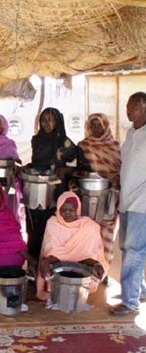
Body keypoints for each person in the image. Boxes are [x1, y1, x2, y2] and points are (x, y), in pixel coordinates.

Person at [26, 107, 78, 260]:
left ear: (57, 122)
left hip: (56, 190)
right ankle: (34, 265)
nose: (46, 123)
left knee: (53, 225)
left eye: (50, 120)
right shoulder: (37, 140)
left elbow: (76, 166)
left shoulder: (65, 143)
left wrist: (64, 170)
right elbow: (38, 163)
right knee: (34, 227)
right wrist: (29, 166)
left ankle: (52, 263)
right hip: (36, 189)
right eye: (43, 120)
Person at [111, 92, 146, 316]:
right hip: (127, 201)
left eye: (133, 107)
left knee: (134, 251)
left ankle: (130, 301)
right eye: (127, 106)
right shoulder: (132, 133)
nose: (128, 110)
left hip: (141, 204)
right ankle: (138, 290)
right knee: (127, 248)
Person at [36, 191, 108, 301]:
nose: (67, 213)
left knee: (98, 267)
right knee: (45, 263)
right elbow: (50, 251)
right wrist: (48, 261)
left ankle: (83, 286)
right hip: (58, 264)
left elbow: (91, 254)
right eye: (63, 210)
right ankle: (53, 288)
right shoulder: (53, 223)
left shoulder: (89, 226)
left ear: (77, 209)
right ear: (58, 210)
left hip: (82, 264)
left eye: (71, 210)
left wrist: (96, 264)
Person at [76, 113, 121, 264]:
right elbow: (76, 170)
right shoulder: (83, 146)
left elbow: (120, 171)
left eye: (98, 125)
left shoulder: (114, 147)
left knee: (105, 233)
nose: (95, 128)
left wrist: (115, 180)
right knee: (85, 232)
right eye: (92, 125)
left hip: (109, 197)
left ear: (105, 126)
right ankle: (86, 268)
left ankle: (103, 268)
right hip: (86, 196)